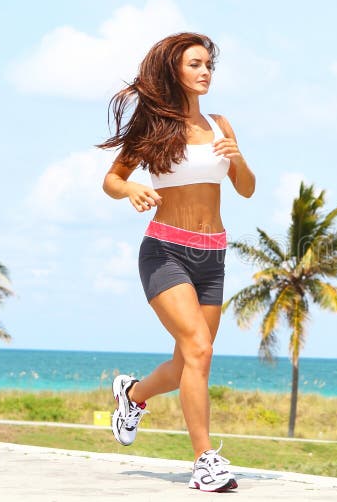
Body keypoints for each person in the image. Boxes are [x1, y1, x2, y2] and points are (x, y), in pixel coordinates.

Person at [98, 32, 256, 492]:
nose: (205, 71)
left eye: (209, 64)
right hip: (165, 250)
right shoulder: (154, 125)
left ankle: (132, 396)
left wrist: (237, 156)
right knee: (199, 349)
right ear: (175, 70)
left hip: (214, 254)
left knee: (191, 361)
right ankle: (205, 461)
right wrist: (132, 190)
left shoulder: (222, 124)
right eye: (195, 64)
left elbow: (245, 188)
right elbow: (113, 178)